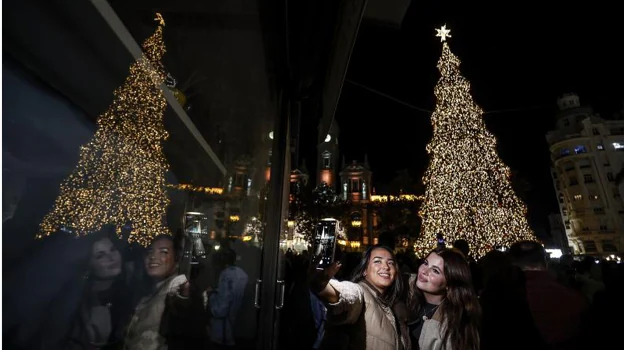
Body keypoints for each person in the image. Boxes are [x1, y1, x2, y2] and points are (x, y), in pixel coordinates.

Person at [310, 245, 409, 350]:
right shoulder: (361, 293)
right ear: (365, 270)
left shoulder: (394, 306)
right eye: (377, 261)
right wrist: (321, 283)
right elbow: (348, 295)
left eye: (390, 263)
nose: (386, 267)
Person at [406, 247, 480, 350]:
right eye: (426, 263)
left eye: (435, 271)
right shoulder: (407, 297)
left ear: (449, 283)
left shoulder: (454, 325)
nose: (424, 271)